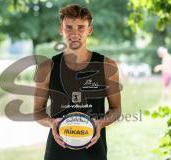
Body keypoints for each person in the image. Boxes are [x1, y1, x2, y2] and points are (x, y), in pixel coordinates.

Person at [34, 4, 121, 160]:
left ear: (89, 30)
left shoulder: (107, 66)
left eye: (81, 27)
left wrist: (100, 123)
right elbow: (37, 111)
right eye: (69, 27)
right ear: (61, 29)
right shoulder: (46, 67)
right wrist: (51, 122)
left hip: (93, 150)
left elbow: (116, 109)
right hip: (58, 151)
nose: (74, 33)